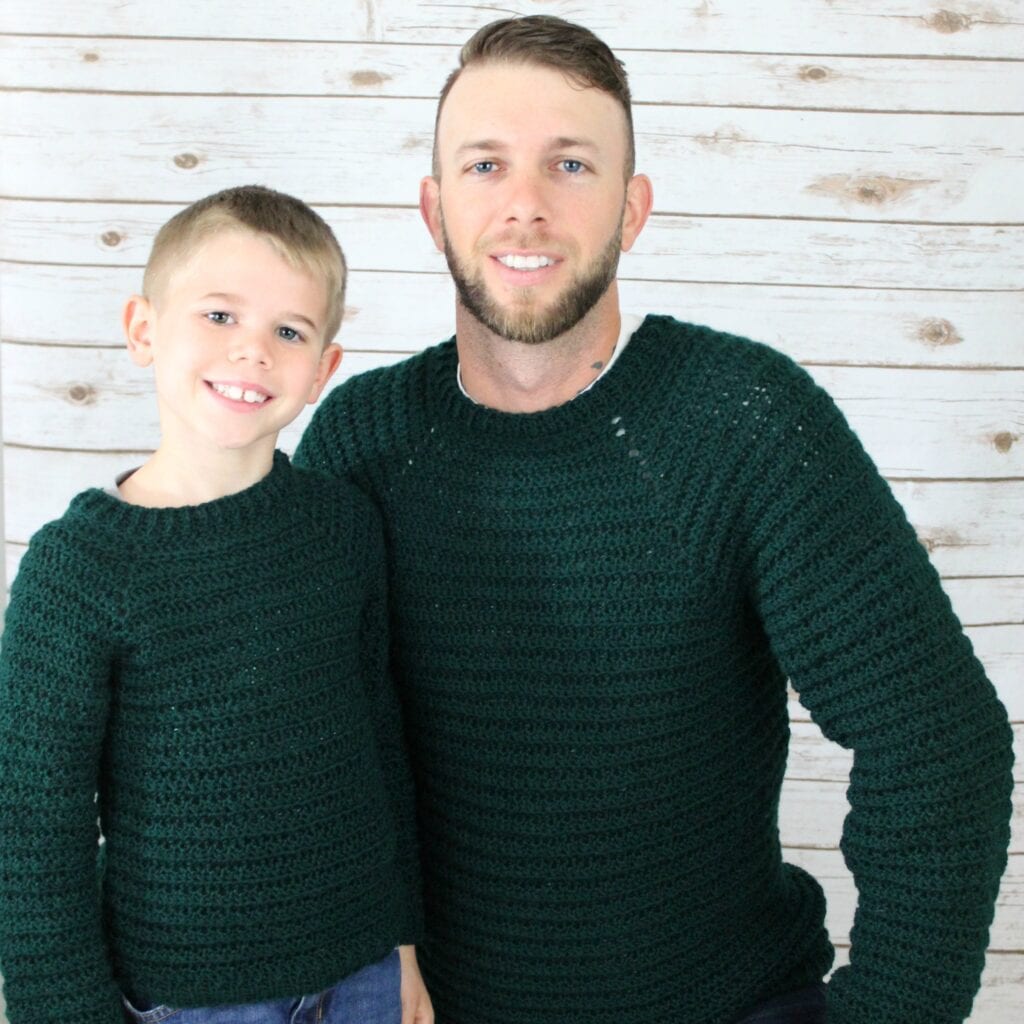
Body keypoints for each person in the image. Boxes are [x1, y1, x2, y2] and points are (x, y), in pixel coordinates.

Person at [294, 16, 1014, 1024]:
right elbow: (314, 751)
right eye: (486, 165)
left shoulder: (743, 422)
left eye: (572, 165)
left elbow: (938, 741)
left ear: (632, 209)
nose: (526, 205)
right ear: (433, 208)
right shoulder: (362, 441)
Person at [0, 186, 433, 1024]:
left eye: (289, 331)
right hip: (195, 998)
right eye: (220, 316)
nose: (254, 353)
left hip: (364, 967)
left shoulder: (342, 525)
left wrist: (405, 941)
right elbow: (31, 831)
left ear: (323, 369)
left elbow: (379, 741)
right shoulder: (81, 568)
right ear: (143, 330)